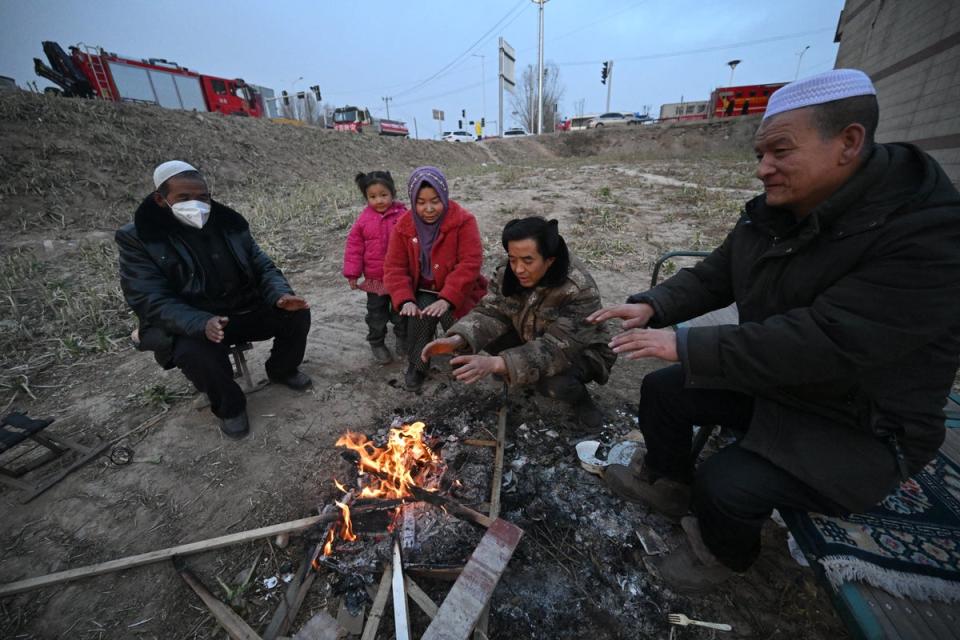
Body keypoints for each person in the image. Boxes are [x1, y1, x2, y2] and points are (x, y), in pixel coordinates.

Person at [587, 69, 960, 592]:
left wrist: (686, 344)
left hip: (863, 420)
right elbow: (720, 272)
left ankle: (720, 554)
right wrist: (654, 306)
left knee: (725, 484)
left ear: (848, 142)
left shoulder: (925, 233)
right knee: (662, 391)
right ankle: (668, 483)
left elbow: (827, 338)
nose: (764, 169)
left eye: (780, 152)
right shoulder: (780, 209)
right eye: (761, 154)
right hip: (786, 383)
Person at [116, 161, 312, 439]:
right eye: (183, 198)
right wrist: (199, 321)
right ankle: (230, 407)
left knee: (297, 313)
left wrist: (279, 295)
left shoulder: (229, 223)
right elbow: (148, 297)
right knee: (194, 353)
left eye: (202, 197)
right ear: (161, 199)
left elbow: (263, 267)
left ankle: (282, 370)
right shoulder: (139, 237)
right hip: (191, 321)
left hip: (241, 308)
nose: (195, 204)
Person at [422, 217, 616, 428]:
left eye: (527, 260)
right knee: (484, 334)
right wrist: (457, 339)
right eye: (513, 259)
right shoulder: (509, 272)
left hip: (579, 352)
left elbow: (556, 350)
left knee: (554, 385)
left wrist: (497, 363)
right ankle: (518, 370)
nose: (518, 269)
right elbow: (491, 311)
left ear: (549, 260)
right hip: (530, 333)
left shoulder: (579, 289)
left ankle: (582, 401)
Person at [383, 166, 487, 392]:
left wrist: (448, 298)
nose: (428, 208)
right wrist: (405, 299)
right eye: (421, 202)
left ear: (445, 196)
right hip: (421, 290)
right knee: (420, 316)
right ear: (412, 201)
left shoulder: (463, 221)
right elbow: (394, 268)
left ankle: (464, 364)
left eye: (435, 201)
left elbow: (470, 263)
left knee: (456, 321)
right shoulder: (403, 226)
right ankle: (418, 364)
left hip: (458, 290)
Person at [343, 171, 408, 364]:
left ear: (393, 193)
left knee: (401, 312)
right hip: (375, 279)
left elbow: (414, 244)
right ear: (366, 198)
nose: (379, 200)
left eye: (383, 195)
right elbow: (354, 248)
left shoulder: (404, 216)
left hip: (400, 278)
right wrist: (352, 274)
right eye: (372, 197)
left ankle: (402, 338)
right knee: (376, 314)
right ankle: (377, 342)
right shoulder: (363, 221)